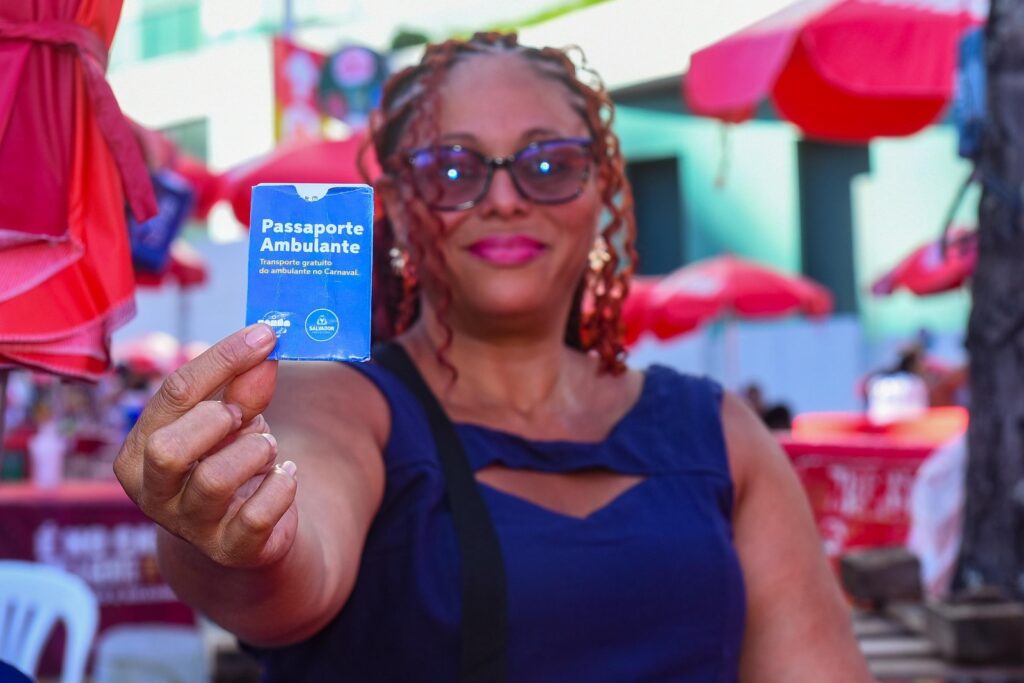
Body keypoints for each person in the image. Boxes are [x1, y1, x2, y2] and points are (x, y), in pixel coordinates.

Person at [113, 33, 871, 682]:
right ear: (399, 206)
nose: (505, 199)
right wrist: (230, 535)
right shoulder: (338, 400)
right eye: (454, 169)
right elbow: (287, 569)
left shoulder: (721, 433)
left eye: (549, 164)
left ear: (601, 192)